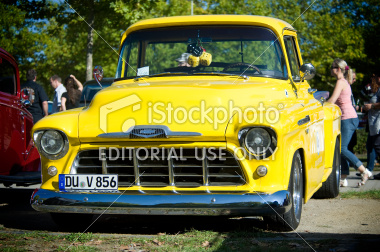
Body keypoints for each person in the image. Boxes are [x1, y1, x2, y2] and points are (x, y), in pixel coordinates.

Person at [327, 59, 372, 187]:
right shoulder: (344, 82)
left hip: (347, 118)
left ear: (338, 69)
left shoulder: (340, 82)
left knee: (342, 148)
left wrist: (320, 104)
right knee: (342, 147)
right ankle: (343, 178)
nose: (330, 69)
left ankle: (364, 171)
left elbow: (332, 101)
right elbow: (336, 102)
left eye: (332, 67)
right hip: (348, 118)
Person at [363, 72, 380, 180]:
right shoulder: (376, 90)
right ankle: (368, 170)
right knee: (370, 145)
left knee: (378, 146)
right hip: (373, 123)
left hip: (378, 123)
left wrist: (371, 105)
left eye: (376, 77)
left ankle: (368, 169)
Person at [347, 71, 358, 153]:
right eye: (353, 78)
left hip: (351, 117)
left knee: (350, 143)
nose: (355, 80)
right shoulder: (345, 87)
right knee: (346, 146)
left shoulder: (348, 88)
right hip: (348, 118)